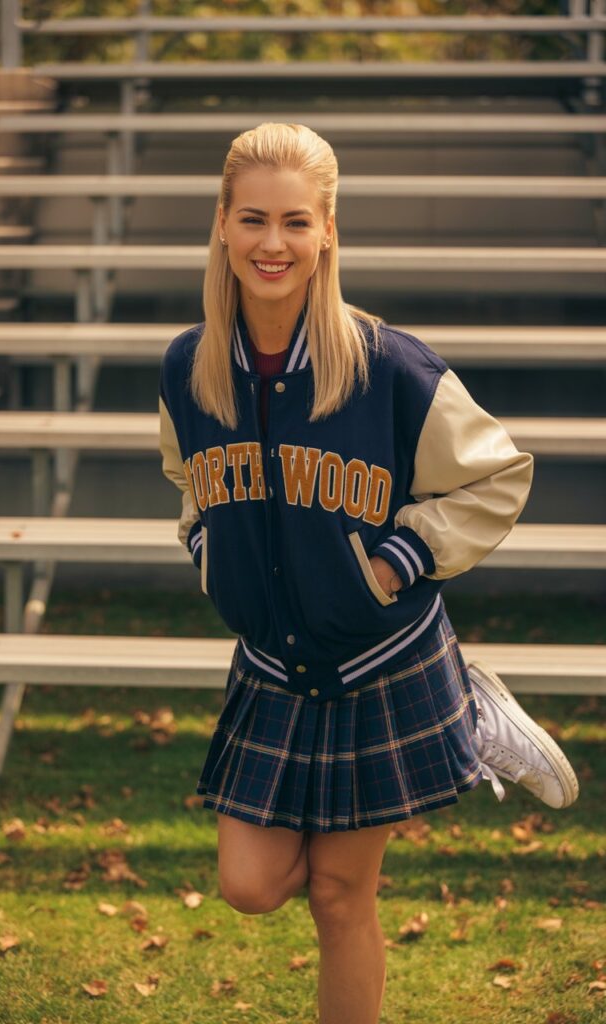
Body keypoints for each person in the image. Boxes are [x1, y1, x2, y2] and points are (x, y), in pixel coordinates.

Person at [158, 121, 579, 1024]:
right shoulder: (188, 369)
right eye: (256, 220)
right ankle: (463, 717)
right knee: (250, 884)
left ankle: (456, 701)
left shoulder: (388, 367)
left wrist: (393, 566)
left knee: (340, 897)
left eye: (298, 223)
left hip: (379, 661)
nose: (275, 244)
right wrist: (211, 552)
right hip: (272, 668)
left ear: (328, 233)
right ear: (223, 225)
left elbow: (497, 475)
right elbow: (186, 477)